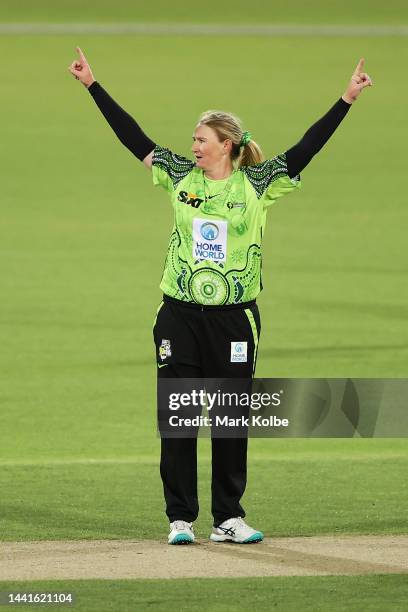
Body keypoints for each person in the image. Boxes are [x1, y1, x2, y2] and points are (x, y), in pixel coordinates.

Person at [69, 48, 373, 545]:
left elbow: (306, 149)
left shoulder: (257, 185)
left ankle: (228, 518)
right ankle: (180, 519)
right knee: (180, 417)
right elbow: (133, 138)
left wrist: (346, 99)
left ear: (226, 145)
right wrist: (92, 85)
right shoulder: (178, 176)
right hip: (179, 317)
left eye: (201, 139)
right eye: (193, 138)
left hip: (234, 321)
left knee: (231, 419)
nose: (192, 145)